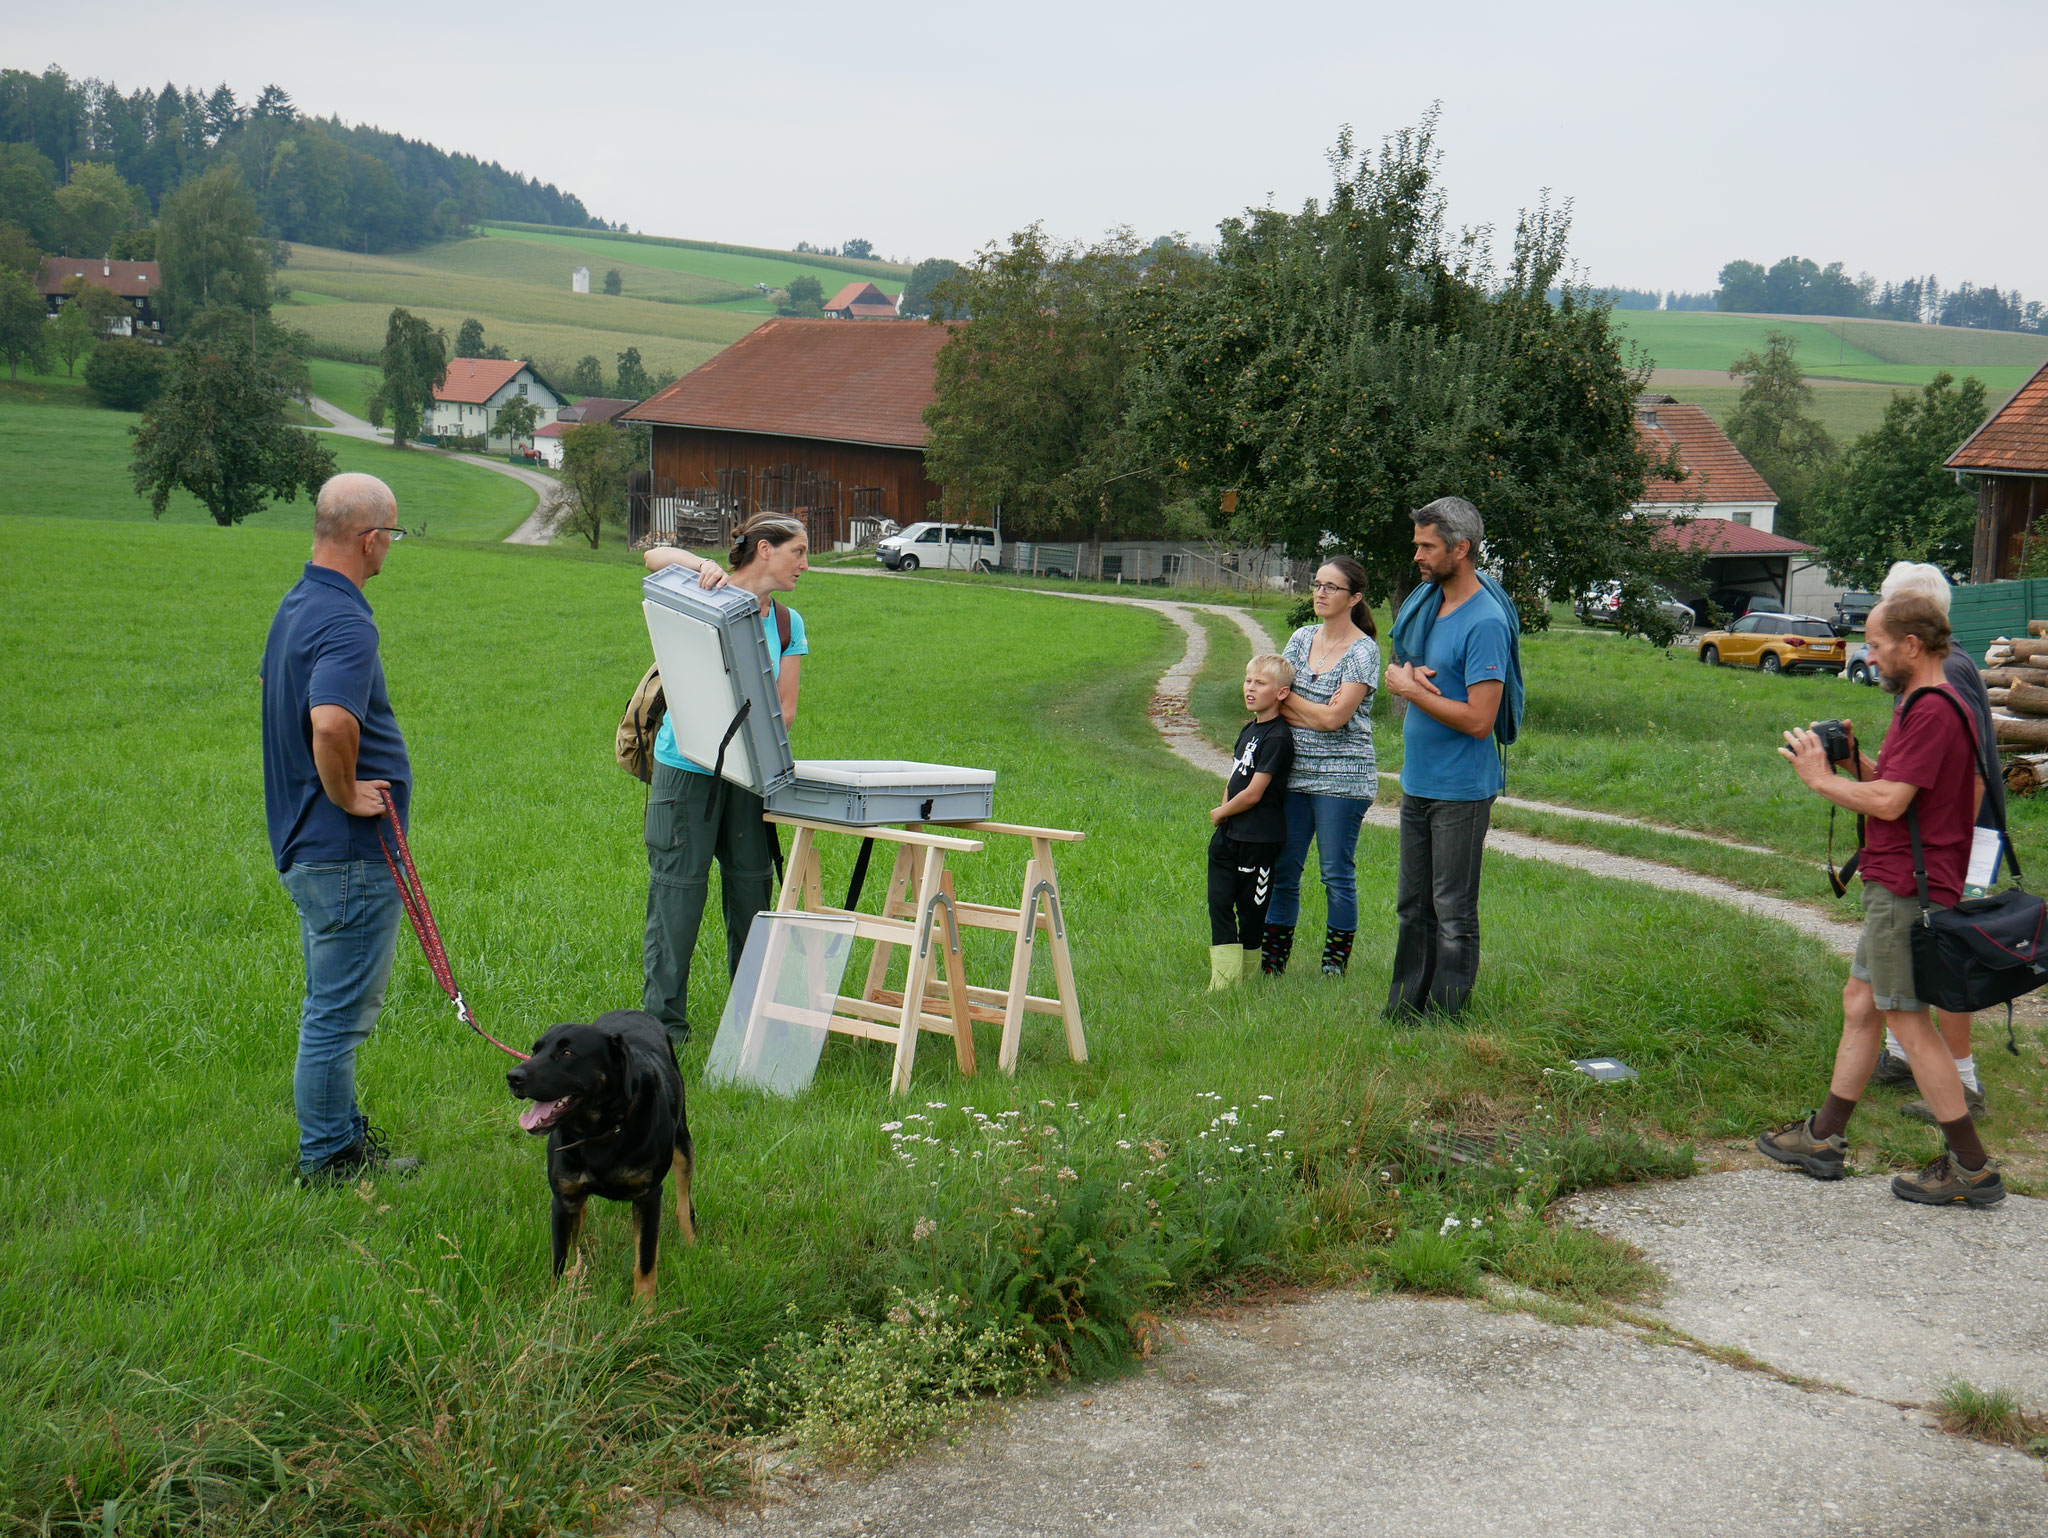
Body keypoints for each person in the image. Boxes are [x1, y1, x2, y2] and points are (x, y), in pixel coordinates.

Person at [1761, 595, 2004, 1207]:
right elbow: (1904, 786)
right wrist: (1853, 761)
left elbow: (1893, 804)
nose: (1868, 654)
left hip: (1906, 888)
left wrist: (1821, 779)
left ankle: (1972, 1169)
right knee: (1862, 1003)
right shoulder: (1925, 703)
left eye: (1875, 643)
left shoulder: (1932, 709)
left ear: (1911, 646)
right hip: (1898, 878)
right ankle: (1824, 1137)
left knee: (1906, 1020)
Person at [261, 473, 421, 1186]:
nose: (392, 545)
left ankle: (342, 1136)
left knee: (330, 1006)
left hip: (309, 845)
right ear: (370, 539)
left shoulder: (298, 604)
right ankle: (328, 1159)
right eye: (393, 532)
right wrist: (347, 793)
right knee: (337, 1017)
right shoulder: (349, 621)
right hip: (347, 852)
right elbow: (329, 721)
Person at [641, 516, 810, 1045]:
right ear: (764, 549)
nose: (805, 565)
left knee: (751, 895)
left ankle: (752, 1023)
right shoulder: (703, 590)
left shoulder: (787, 623)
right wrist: (700, 563)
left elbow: (785, 710)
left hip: (749, 776)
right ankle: (664, 1030)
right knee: (677, 897)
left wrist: (749, 751)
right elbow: (652, 560)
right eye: (798, 552)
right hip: (685, 769)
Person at [1865, 562, 2001, 1123]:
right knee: (1914, 958)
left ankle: (1963, 1082)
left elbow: (1969, 776)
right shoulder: (1933, 675)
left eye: (1879, 636)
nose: (1872, 651)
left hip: (1953, 842)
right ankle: (1902, 1059)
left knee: (1946, 953)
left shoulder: (1951, 676)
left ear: (1913, 632)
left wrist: (1954, 852)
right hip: (1939, 840)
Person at [1381, 497, 1521, 1021]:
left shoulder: (1484, 620)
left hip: (1461, 788)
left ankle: (1444, 1017)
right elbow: (1415, 667)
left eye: (1427, 545)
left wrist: (1411, 690)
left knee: (1452, 911)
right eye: (1417, 543)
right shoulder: (1428, 603)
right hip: (1419, 780)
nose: (1416, 554)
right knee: (1412, 906)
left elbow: (1480, 720)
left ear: (1460, 550)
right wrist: (1412, 678)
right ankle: (1403, 1012)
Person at [1264, 557, 1380, 977]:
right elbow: (1274, 698)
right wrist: (1315, 709)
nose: (1321, 592)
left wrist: (1295, 701)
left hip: (1343, 780)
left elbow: (1335, 721)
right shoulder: (1300, 638)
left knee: (1334, 873)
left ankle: (1334, 966)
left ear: (1355, 598)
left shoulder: (1364, 651)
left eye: (1332, 587)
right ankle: (1273, 962)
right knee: (1284, 869)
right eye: (1317, 584)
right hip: (1294, 775)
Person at [1209, 655, 1296, 990]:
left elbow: (1255, 792)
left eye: (1260, 683)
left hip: (1259, 840)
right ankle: (1223, 982)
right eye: (1248, 681)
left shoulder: (1277, 738)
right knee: (1219, 904)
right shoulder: (1249, 729)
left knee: (1250, 913)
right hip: (1229, 835)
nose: (1250, 688)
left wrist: (1221, 812)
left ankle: (1243, 980)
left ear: (1282, 693)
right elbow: (1235, 779)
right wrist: (1223, 816)